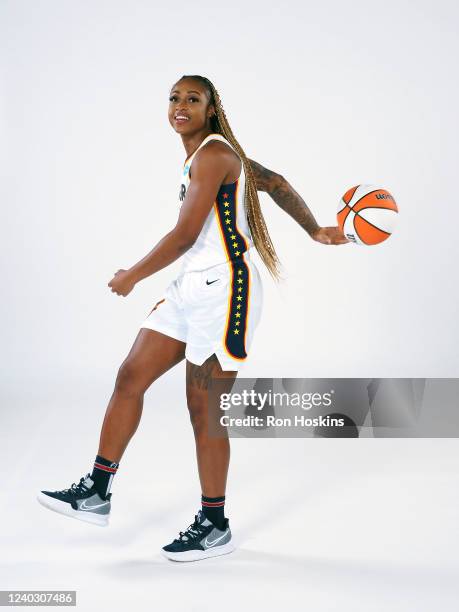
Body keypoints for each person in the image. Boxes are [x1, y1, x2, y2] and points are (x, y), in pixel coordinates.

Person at [37, 74, 349, 562]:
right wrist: (313, 230)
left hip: (227, 291)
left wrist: (133, 275)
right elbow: (275, 182)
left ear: (211, 108)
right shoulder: (213, 154)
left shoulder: (214, 155)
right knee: (130, 377)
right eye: (174, 98)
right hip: (191, 286)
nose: (180, 105)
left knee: (204, 410)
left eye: (192, 99)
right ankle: (96, 493)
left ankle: (214, 523)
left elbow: (184, 235)